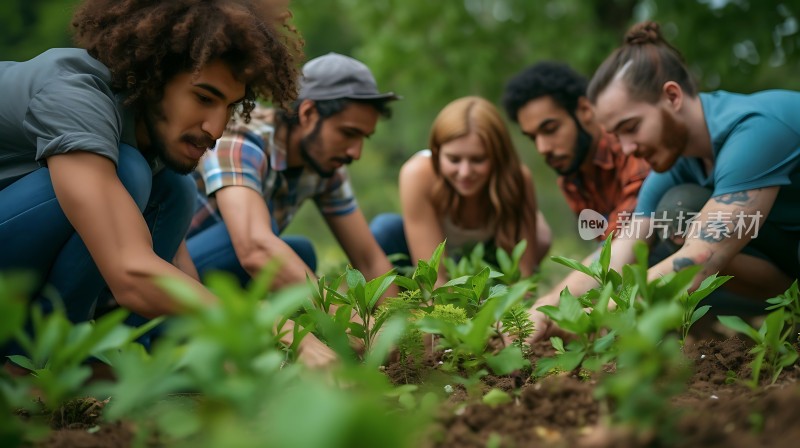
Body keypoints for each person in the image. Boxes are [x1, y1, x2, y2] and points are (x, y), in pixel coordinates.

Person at [0, 0, 334, 368]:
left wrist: (235, 360)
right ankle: (30, 366)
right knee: (129, 173)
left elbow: (174, 269)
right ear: (154, 76)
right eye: (204, 98)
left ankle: (121, 362)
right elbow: (131, 269)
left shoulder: (147, 132)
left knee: (175, 188)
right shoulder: (74, 95)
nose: (216, 128)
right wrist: (275, 330)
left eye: (230, 106)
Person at [526, 21, 800, 342]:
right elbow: (622, 248)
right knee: (672, 220)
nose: (627, 149)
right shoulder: (676, 161)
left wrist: (594, 317)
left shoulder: (754, 131)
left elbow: (700, 258)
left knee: (685, 247)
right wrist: (547, 307)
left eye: (631, 127)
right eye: (616, 135)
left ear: (672, 97)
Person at [187, 53, 399, 292]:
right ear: (308, 113)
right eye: (348, 134)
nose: (356, 152)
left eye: (363, 138)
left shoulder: (325, 164)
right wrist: (342, 319)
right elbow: (254, 249)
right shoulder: (243, 138)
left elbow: (369, 258)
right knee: (265, 235)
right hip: (173, 269)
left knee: (301, 252)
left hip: (226, 269)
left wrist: (405, 322)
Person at [370, 96, 552, 285]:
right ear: (437, 152)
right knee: (384, 228)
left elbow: (523, 277)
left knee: (541, 236)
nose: (465, 173)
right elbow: (434, 280)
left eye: (478, 160)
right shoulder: (417, 173)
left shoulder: (518, 178)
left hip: (489, 258)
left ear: (498, 157)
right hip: (430, 257)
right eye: (454, 160)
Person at [502, 61, 651, 240]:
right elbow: (602, 244)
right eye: (533, 138)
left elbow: (624, 237)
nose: (542, 148)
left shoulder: (630, 148)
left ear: (585, 109)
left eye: (550, 129)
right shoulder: (570, 179)